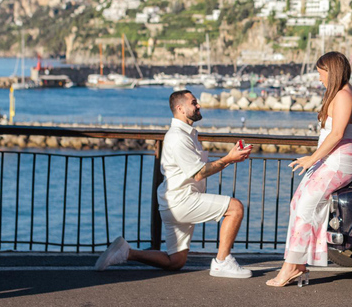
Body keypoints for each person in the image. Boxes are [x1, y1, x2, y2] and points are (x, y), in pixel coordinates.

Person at [95, 90, 253, 278]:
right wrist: (229, 158)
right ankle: (222, 262)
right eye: (194, 103)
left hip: (174, 202)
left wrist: (230, 158)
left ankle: (127, 252)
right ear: (180, 108)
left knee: (175, 261)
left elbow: (198, 168)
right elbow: (199, 173)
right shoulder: (178, 136)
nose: (199, 105)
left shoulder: (188, 134)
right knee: (235, 208)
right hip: (182, 201)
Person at [266, 52, 352, 287]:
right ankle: (297, 264)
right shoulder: (339, 94)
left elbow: (338, 134)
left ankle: (292, 267)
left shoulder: (343, 96)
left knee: (306, 207)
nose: (319, 78)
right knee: (298, 203)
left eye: (321, 72)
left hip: (339, 163)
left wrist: (312, 159)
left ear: (332, 71)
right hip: (329, 161)